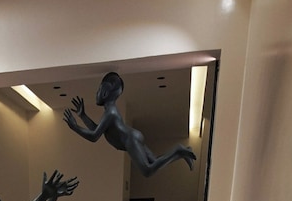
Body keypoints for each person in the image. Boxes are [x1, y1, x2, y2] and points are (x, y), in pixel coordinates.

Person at [63, 71, 196, 177]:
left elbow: (94, 136)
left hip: (130, 140)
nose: (96, 94)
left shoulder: (111, 112)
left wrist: (75, 127)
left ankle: (178, 150)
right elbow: (97, 130)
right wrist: (83, 116)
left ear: (104, 92)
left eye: (98, 91)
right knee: (154, 162)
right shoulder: (110, 112)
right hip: (132, 137)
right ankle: (182, 153)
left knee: (147, 170)